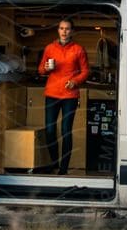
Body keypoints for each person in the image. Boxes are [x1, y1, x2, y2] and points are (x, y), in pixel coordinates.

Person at [37, 18, 90, 175]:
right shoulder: (49, 48)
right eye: (61, 28)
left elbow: (85, 71)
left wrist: (75, 81)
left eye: (67, 28)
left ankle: (63, 168)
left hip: (70, 95)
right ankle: (54, 163)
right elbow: (40, 69)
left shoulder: (78, 49)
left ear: (72, 31)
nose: (64, 31)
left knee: (66, 130)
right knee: (50, 130)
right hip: (52, 93)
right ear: (58, 30)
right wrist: (45, 68)